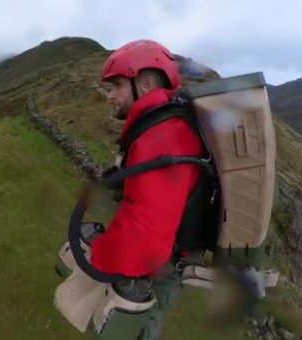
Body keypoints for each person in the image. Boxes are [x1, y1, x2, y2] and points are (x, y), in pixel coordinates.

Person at [88, 39, 209, 340]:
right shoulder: (160, 127)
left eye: (116, 85)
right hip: (169, 256)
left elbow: (146, 234)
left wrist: (97, 253)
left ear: (146, 83)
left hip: (162, 264)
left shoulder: (162, 137)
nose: (110, 95)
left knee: (138, 331)